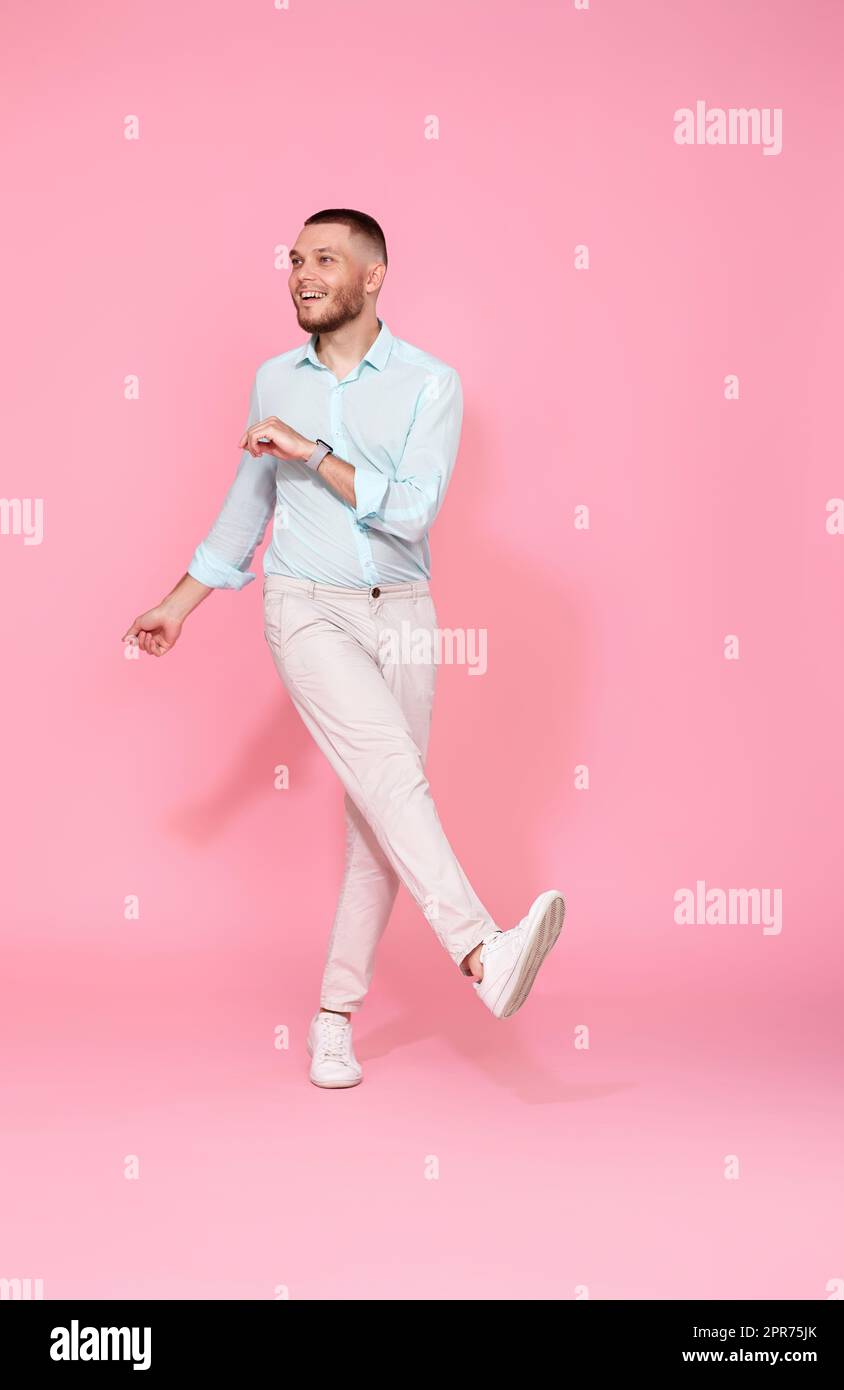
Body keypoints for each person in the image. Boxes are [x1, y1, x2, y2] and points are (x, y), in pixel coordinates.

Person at [123, 208, 565, 1089]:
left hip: (402, 611)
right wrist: (180, 604)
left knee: (378, 823)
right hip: (306, 608)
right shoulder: (271, 380)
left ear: (372, 275)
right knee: (395, 782)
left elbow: (409, 511)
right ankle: (482, 950)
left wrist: (311, 451)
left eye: (324, 258)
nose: (300, 273)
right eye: (293, 260)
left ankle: (332, 1018)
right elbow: (249, 504)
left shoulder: (430, 384)